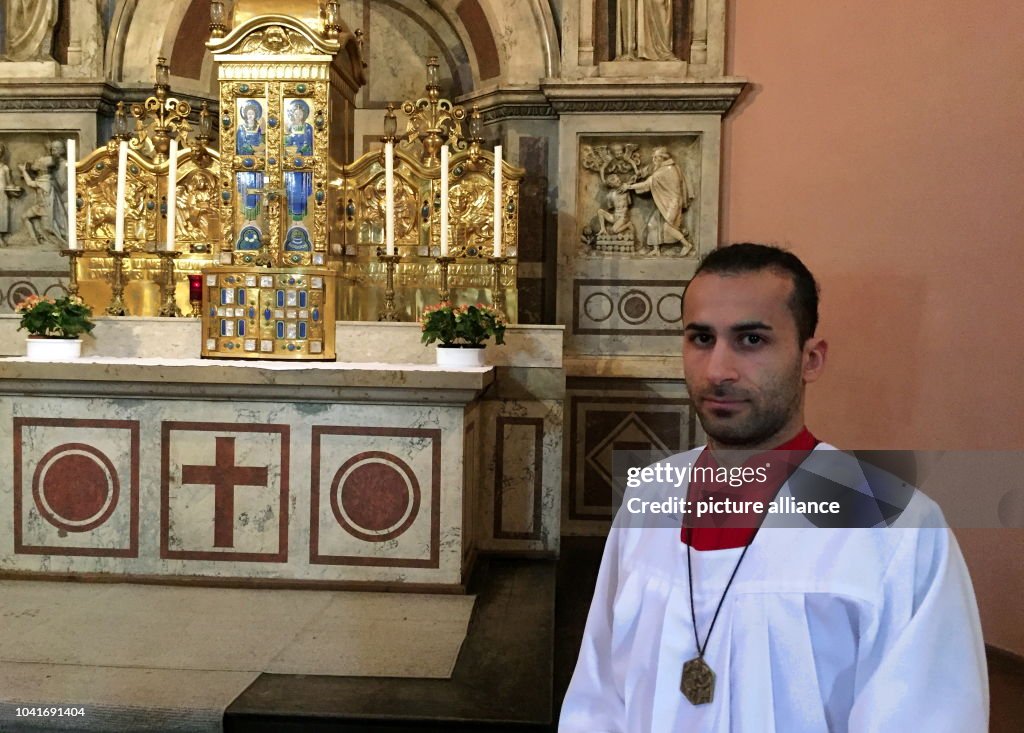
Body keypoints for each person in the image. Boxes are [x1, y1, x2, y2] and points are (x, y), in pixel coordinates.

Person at [559, 243, 988, 731]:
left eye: (751, 341)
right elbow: (598, 696)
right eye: (701, 338)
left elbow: (926, 714)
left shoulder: (897, 526)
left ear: (811, 359)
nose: (718, 370)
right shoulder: (649, 498)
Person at [623, 146, 692, 254]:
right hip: (664, 202)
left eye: (656, 158)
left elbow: (647, 184)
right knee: (653, 224)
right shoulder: (665, 167)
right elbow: (650, 170)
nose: (653, 160)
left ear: (663, 158)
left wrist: (629, 187)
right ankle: (656, 250)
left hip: (671, 203)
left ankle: (687, 244)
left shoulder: (666, 170)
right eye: (653, 157)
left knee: (667, 227)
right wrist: (639, 174)